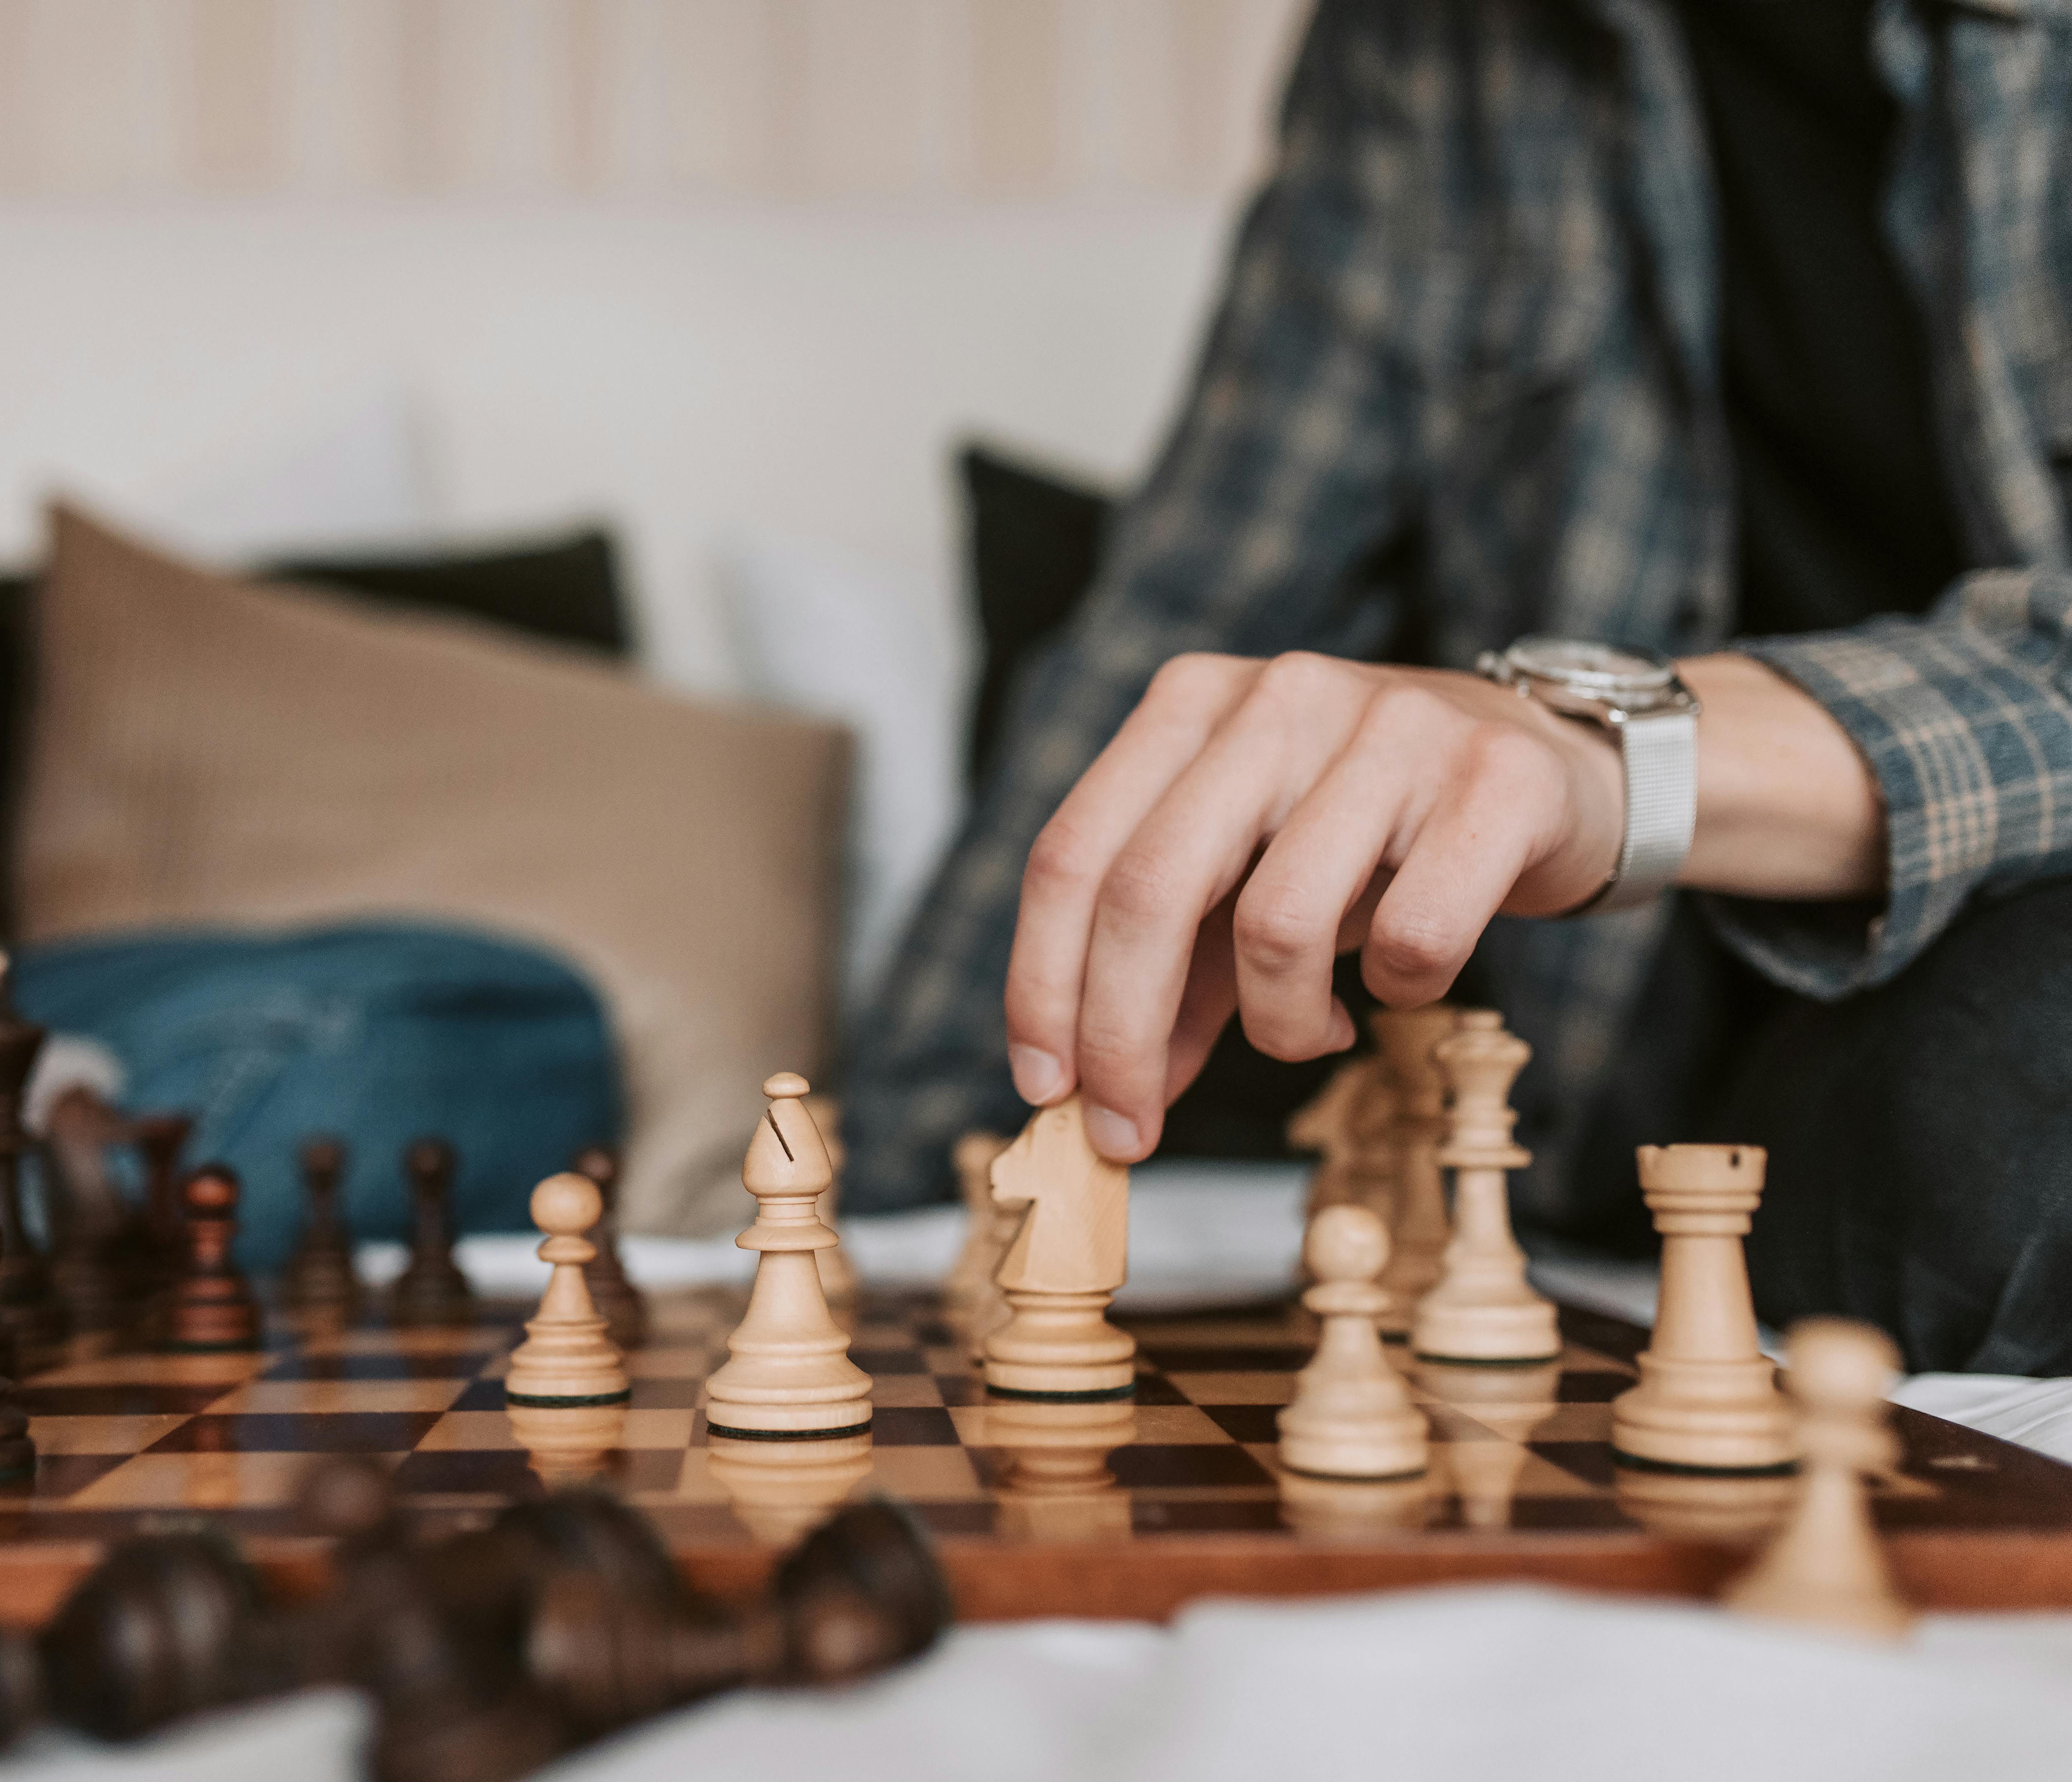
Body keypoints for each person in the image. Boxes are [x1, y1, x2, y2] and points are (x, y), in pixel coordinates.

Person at [846, 0, 2072, 1375]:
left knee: (1998, 1099)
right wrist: (885, 1179)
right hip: (1639, 1074)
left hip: (1998, 1013)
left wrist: (1609, 760)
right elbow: (1198, 612)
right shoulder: (1425, 42)